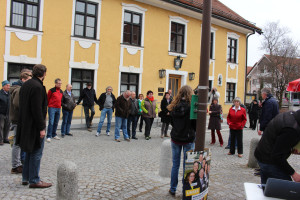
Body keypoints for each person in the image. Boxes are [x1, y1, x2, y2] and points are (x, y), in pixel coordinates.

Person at [16, 64, 52, 188]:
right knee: (36, 153)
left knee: (28, 152)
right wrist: (42, 128)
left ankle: (26, 177)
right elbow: (37, 109)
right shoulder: (38, 87)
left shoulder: (26, 85)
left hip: (25, 123)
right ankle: (34, 180)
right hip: (34, 125)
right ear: (43, 74)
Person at [255, 110, 300, 185]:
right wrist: (294, 174)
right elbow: (277, 156)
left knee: (267, 190)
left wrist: (289, 148)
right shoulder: (291, 129)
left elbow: (278, 140)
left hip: (262, 154)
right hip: (268, 160)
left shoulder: (291, 114)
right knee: (287, 190)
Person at [168, 85, 196, 196]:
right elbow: (195, 125)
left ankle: (173, 189)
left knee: (175, 165)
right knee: (187, 166)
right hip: (188, 138)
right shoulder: (191, 107)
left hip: (175, 138)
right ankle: (186, 190)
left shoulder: (174, 105)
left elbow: (172, 122)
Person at [9, 71, 32, 174]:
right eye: (28, 80)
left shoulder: (17, 88)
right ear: (23, 79)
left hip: (17, 119)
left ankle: (18, 163)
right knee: (17, 143)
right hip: (18, 119)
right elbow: (18, 104)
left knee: (18, 143)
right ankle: (16, 165)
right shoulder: (19, 89)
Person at [0, 80, 10, 145]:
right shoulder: (0, 94)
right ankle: (0, 140)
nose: (9, 87)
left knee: (7, 126)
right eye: (7, 85)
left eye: (9, 85)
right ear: (3, 86)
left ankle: (5, 138)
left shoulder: (10, 93)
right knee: (1, 126)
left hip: (8, 113)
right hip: (1, 113)